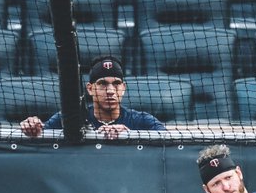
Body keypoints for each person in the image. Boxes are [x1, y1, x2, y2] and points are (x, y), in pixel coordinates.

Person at [19, 55, 166, 139]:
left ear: (123, 88)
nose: (110, 91)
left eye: (116, 84)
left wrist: (129, 135)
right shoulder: (69, 119)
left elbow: (169, 138)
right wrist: (32, 127)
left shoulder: (141, 120)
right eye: (102, 84)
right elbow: (41, 135)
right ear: (90, 88)